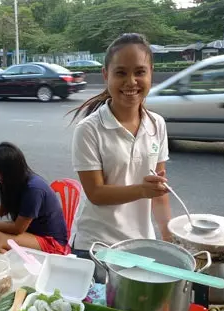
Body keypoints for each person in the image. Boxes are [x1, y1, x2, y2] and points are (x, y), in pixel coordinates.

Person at [70, 33, 172, 261]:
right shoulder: (89, 129)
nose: (131, 82)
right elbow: (95, 193)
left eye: (139, 72)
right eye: (121, 73)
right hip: (96, 246)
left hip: (140, 243)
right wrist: (141, 190)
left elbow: (158, 190)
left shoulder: (157, 124)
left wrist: (168, 237)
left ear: (151, 72)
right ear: (106, 75)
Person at [0, 142, 69, 255]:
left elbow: (18, 228)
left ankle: (17, 267)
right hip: (32, 233)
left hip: (53, 243)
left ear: (9, 170)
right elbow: (5, 209)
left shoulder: (34, 189)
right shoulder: (16, 182)